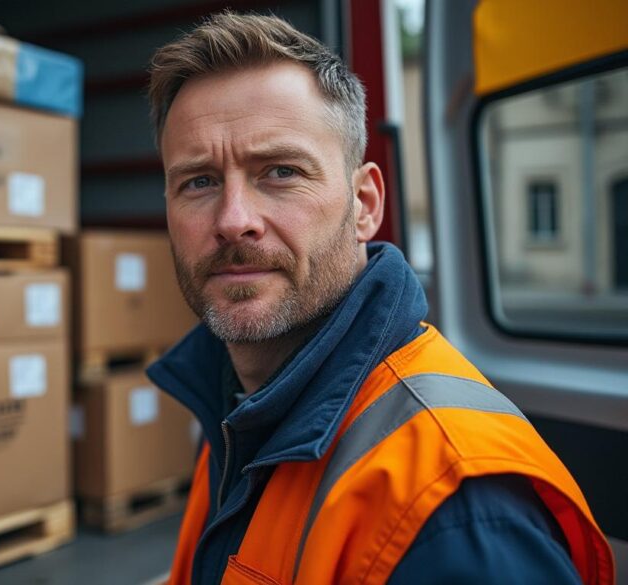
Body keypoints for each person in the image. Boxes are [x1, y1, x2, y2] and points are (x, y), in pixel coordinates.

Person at [144, 12, 614, 584]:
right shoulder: (232, 399)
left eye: (281, 172)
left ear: (365, 204)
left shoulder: (456, 512)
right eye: (198, 181)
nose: (233, 220)